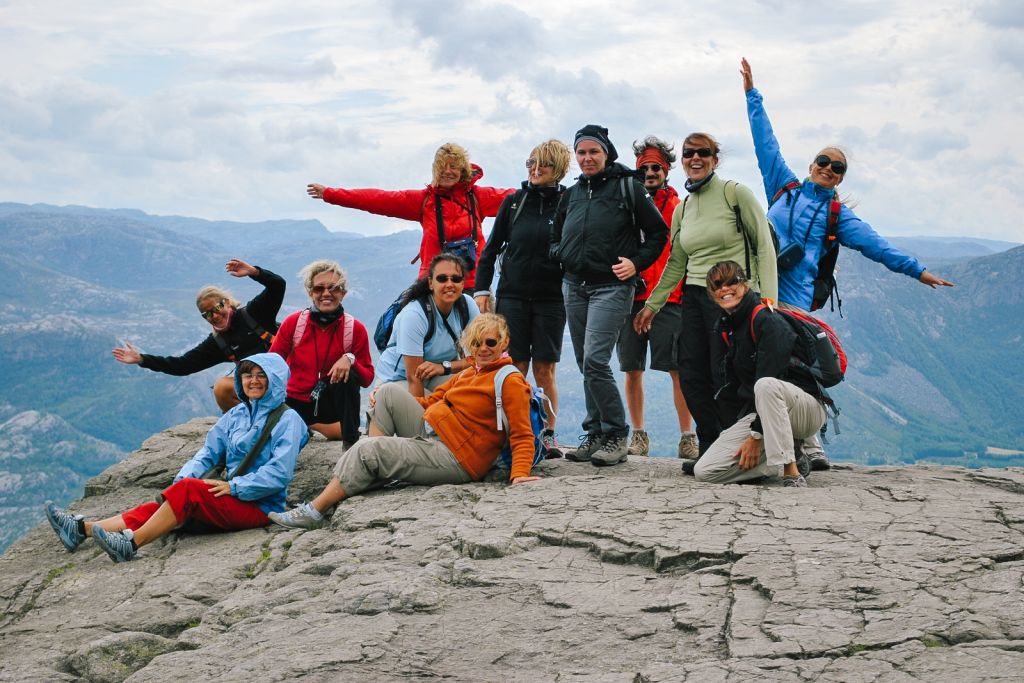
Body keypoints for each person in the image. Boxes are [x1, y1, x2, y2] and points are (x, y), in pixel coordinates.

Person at [740, 57, 954, 470]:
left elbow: (878, 247)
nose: (828, 169)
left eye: (837, 168)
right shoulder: (783, 186)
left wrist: (918, 271)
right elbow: (764, 140)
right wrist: (752, 93)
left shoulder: (840, 217)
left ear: (840, 179)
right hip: (762, 289)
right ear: (811, 165)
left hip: (796, 298)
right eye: (824, 161)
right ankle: (777, 439)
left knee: (792, 364)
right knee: (761, 362)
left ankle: (810, 443)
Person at [269, 314, 540, 529]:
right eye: (476, 343)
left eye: (490, 343)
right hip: (435, 433)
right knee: (387, 392)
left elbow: (521, 433)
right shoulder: (471, 373)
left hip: (457, 457)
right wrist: (389, 401)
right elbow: (432, 402)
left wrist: (519, 476)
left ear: (504, 344)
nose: (483, 349)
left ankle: (315, 511)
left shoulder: (509, 380)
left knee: (368, 449)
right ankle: (365, 471)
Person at [44, 353, 308, 562]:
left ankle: (130, 543)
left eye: (261, 375)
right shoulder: (236, 415)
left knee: (188, 493)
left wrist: (234, 486)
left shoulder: (288, 419)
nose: (253, 380)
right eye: (247, 374)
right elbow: (207, 453)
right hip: (233, 496)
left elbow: (280, 473)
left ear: (275, 379)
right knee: (166, 503)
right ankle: (82, 530)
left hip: (260, 506)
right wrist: (182, 479)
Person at [635, 132, 778, 470]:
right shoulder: (684, 209)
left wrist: (769, 299)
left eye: (703, 153)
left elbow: (763, 246)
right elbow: (676, 262)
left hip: (734, 298)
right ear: (682, 161)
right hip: (696, 298)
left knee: (725, 372)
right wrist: (652, 306)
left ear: (715, 159)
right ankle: (711, 444)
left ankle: (736, 444)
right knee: (691, 372)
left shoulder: (735, 194)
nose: (695, 159)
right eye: (688, 154)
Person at [551, 124, 668, 466]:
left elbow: (659, 234)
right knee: (584, 362)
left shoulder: (627, 187)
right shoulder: (571, 195)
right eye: (582, 153)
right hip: (575, 286)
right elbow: (555, 235)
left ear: (606, 154)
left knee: (595, 360)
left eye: (594, 152)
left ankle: (616, 433)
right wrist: (562, 254)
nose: (587, 158)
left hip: (612, 287)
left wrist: (636, 263)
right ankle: (596, 434)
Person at [307, 143, 514, 292]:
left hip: (472, 284)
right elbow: (378, 199)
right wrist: (330, 194)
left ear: (463, 170)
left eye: (453, 166)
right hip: (433, 284)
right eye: (443, 166)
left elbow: (519, 198)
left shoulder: (478, 197)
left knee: (479, 343)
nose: (448, 171)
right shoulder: (424, 201)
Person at [475, 139, 570, 458]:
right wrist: (482, 291)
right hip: (512, 296)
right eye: (530, 162)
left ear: (556, 168)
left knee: (545, 370)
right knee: (514, 366)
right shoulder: (514, 203)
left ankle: (548, 436)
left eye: (541, 163)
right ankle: (513, 432)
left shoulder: (568, 203)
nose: (534, 169)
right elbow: (489, 250)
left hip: (551, 299)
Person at [693, 261, 826, 488]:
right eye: (717, 285)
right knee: (705, 471)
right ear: (711, 293)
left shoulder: (767, 321)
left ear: (745, 284)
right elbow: (733, 389)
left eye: (731, 281)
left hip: (804, 410)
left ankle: (791, 470)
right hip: (763, 414)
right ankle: (782, 457)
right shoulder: (728, 326)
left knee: (765, 385)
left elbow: (775, 378)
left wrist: (756, 437)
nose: (724, 289)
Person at [112, 259, 285, 412]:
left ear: (226, 303)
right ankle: (255, 423)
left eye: (216, 308)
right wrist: (142, 359)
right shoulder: (218, 342)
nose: (214, 316)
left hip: (287, 376)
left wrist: (254, 272)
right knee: (221, 388)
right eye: (207, 314)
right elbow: (182, 365)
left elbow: (278, 285)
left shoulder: (254, 313)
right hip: (259, 384)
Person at [617, 136, 697, 459]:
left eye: (656, 168)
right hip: (633, 297)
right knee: (632, 368)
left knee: (677, 369)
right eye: (644, 168)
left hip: (669, 299)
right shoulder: (626, 205)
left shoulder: (679, 207)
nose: (650, 173)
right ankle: (638, 435)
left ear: (666, 171)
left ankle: (688, 437)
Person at [269, 260, 374, 445]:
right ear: (310, 293)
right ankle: (304, 426)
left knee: (348, 377)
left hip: (331, 406)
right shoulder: (294, 324)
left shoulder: (354, 329)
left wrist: (350, 359)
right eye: (319, 289)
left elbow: (366, 379)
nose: (326, 293)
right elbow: (272, 365)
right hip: (295, 401)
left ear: (343, 293)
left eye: (334, 288)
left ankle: (350, 449)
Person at [375, 253, 479, 399]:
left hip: (437, 372)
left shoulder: (467, 306)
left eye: (455, 279)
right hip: (399, 378)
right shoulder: (414, 315)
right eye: (442, 278)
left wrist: (444, 367)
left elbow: (478, 359)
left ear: (463, 283)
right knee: (435, 405)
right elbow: (413, 377)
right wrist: (422, 417)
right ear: (431, 283)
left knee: (471, 390)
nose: (449, 284)